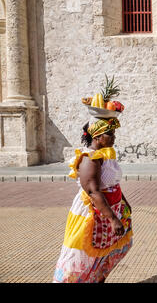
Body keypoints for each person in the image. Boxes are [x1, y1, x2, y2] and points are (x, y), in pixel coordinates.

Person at [53, 117, 133, 283]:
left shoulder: (105, 155)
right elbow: (93, 191)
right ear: (97, 137)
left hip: (110, 211)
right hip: (92, 215)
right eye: (109, 134)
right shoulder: (89, 158)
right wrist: (113, 219)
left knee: (104, 256)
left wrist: (124, 202)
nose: (114, 137)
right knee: (81, 259)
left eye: (113, 133)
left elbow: (113, 183)